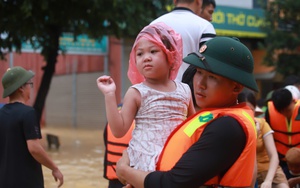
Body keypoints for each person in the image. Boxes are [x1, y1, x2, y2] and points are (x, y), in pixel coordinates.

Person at [116, 36, 258, 188]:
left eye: (212, 77)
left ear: (236, 87)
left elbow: (173, 184)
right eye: (199, 72)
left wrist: (125, 171)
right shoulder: (212, 117)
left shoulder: (228, 127)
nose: (200, 84)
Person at [97, 23, 195, 172]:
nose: (146, 58)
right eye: (140, 54)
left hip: (176, 159)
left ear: (171, 55)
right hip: (143, 163)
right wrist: (110, 95)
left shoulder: (185, 90)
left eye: (153, 51)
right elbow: (118, 131)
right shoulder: (136, 92)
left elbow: (193, 126)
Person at [0, 66, 64, 188]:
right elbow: (34, 148)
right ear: (21, 88)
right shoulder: (28, 113)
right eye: (29, 84)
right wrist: (54, 168)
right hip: (26, 181)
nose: (30, 88)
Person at [151, 0, 216, 81]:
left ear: (175, 1)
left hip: (155, 88)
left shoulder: (154, 24)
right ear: (199, 1)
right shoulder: (205, 27)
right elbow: (210, 64)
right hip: (189, 90)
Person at [238, 89, 289, 188]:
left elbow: (274, 156)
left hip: (269, 171)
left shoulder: (261, 124)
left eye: (251, 110)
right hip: (247, 173)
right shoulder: (233, 127)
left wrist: (268, 181)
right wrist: (254, 136)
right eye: (244, 110)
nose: (248, 114)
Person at [265, 87, 300, 179]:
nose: (285, 114)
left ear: (294, 101)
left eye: (288, 110)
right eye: (281, 112)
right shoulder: (269, 112)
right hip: (281, 161)